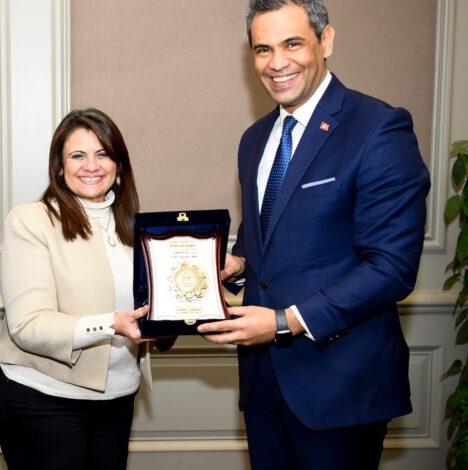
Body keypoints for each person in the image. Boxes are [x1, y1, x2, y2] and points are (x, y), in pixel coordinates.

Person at [197, 1, 431, 468]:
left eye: (292, 44)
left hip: (341, 386)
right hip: (263, 384)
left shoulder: (378, 127)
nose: (277, 62)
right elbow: (266, 236)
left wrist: (285, 321)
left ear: (326, 42)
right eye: (263, 49)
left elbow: (391, 268)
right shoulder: (254, 139)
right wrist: (238, 264)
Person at [0, 108, 152, 470]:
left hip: (118, 396)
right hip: (43, 398)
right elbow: (28, 325)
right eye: (78, 155)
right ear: (60, 166)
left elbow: (148, 307)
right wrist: (112, 324)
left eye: (102, 154)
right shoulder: (32, 221)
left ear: (118, 164)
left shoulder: (137, 228)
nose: (91, 166)